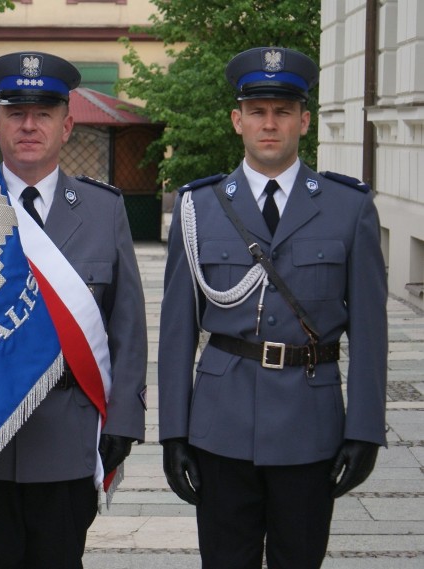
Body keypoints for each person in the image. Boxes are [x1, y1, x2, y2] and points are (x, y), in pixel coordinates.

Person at [159, 46, 388, 569]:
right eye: (257, 111)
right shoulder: (199, 208)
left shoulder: (348, 208)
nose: (269, 124)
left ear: (303, 121)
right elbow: (177, 330)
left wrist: (365, 431)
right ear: (237, 120)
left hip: (310, 427)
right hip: (220, 426)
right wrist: (174, 432)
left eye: (282, 112)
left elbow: (371, 333)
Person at [0, 51, 148, 568]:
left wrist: (125, 416)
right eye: (16, 112)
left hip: (68, 437)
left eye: (44, 113)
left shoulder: (104, 211)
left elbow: (126, 324)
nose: (30, 125)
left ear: (67, 126)